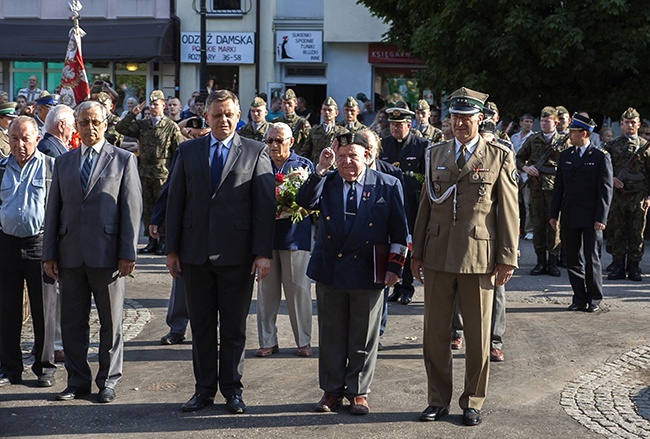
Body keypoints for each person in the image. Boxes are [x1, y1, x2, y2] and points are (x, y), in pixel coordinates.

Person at [411, 87, 519, 426]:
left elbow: (509, 211)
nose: (459, 123)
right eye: (455, 117)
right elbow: (425, 206)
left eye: (466, 118)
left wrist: (507, 257)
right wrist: (416, 253)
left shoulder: (497, 155)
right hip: (438, 255)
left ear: (479, 119)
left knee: (478, 336)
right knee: (435, 335)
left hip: (479, 257)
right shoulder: (435, 154)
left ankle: (473, 400)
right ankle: (437, 399)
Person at [165, 89, 276, 414]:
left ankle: (232, 391)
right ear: (208, 116)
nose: (223, 120)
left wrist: (262, 253)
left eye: (229, 114)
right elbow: (175, 202)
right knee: (201, 328)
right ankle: (203, 391)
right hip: (194, 255)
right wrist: (172, 250)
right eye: (217, 115)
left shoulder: (255, 152)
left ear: (237, 115)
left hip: (237, 257)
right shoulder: (188, 151)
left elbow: (263, 207)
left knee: (233, 328)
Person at [297, 130, 408, 415]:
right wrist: (320, 168)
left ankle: (358, 391)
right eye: (342, 157)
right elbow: (304, 202)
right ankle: (331, 390)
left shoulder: (388, 184)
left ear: (367, 157)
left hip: (368, 270)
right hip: (330, 269)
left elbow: (400, 231)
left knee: (363, 335)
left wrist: (395, 268)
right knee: (332, 333)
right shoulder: (328, 181)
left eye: (353, 156)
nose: (347, 162)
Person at [42, 100, 142, 403]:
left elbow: (132, 209)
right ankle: (77, 381)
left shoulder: (123, 160)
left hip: (108, 256)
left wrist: (129, 253)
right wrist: (50, 254)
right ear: (76, 125)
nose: (90, 127)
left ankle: (108, 381)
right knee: (73, 322)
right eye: (83, 122)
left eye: (95, 121)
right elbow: (53, 210)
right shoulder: (64, 162)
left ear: (106, 123)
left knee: (111, 323)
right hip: (70, 254)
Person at [0, 116, 57, 388]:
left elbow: (62, 211)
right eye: (14, 138)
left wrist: (56, 250)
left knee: (43, 309)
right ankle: (10, 367)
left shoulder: (51, 167)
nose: (19, 144)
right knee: (7, 309)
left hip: (40, 245)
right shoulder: (1, 168)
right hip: (6, 245)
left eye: (25, 138)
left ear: (37, 138)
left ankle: (44, 367)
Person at [255, 122, 314, 358]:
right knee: (266, 294)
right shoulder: (259, 164)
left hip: (295, 237)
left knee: (299, 291)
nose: (273, 145)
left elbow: (313, 201)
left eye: (279, 140)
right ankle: (268, 341)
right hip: (265, 237)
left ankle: (303, 340)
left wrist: (297, 206)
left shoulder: (303, 165)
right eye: (269, 141)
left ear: (291, 141)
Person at [550, 113, 613, 312]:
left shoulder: (600, 156)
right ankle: (579, 297)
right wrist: (553, 214)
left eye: (572, 131)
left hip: (591, 216)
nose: (569, 134)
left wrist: (601, 218)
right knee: (572, 259)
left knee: (591, 257)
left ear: (584, 133)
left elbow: (605, 190)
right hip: (570, 214)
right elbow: (558, 187)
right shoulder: (566, 156)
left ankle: (594, 298)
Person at [116, 90, 184, 256]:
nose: (153, 107)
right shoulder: (143, 124)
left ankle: (164, 240)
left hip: (162, 172)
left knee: (163, 208)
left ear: (163, 106)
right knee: (147, 207)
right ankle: (151, 240)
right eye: (151, 104)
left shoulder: (170, 126)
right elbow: (121, 127)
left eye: (156, 104)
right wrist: (133, 114)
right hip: (145, 171)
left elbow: (178, 151)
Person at [380, 107, 429, 304]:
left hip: (411, 203)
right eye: (392, 124)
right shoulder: (384, 144)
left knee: (408, 246)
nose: (394, 128)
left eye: (399, 125)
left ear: (409, 125)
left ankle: (407, 288)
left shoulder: (421, 145)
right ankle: (396, 286)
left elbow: (426, 178)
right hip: (388, 203)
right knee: (393, 244)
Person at [516, 106, 569, 276]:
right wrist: (526, 168)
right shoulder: (533, 139)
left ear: (555, 122)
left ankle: (553, 262)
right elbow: (518, 158)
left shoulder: (564, 141)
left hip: (556, 188)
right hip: (536, 187)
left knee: (554, 225)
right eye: (543, 120)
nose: (545, 123)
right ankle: (540, 262)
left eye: (548, 120)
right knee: (538, 225)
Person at [604, 107, 650, 281]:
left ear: (638, 124)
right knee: (617, 231)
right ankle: (617, 265)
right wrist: (612, 178)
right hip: (617, 196)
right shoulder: (611, 145)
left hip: (638, 196)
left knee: (636, 232)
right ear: (621, 124)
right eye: (626, 123)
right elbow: (603, 169)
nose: (630, 125)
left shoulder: (645, 146)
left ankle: (634, 266)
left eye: (633, 122)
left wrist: (649, 197)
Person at [300, 97, 348, 164]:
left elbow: (346, 152)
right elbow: (305, 151)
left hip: (334, 169)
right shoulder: (314, 131)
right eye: (324, 110)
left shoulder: (343, 132)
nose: (327, 112)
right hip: (317, 167)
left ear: (336, 113)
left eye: (330, 110)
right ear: (321, 112)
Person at [511, 113, 536, 240]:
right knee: (515, 203)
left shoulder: (534, 137)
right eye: (526, 121)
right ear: (521, 123)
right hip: (514, 174)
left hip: (526, 174)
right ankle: (515, 228)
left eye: (531, 122)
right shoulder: (514, 137)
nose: (528, 124)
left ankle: (529, 229)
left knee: (528, 203)